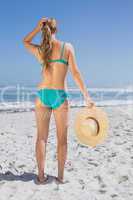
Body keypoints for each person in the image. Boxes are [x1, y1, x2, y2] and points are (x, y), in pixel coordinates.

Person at [23, 17, 95, 184]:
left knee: (41, 137)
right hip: (60, 95)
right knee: (62, 138)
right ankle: (61, 177)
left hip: (42, 95)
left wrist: (36, 28)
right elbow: (76, 74)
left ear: (44, 30)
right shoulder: (66, 47)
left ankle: (41, 177)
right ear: (56, 29)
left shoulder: (41, 50)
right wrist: (86, 96)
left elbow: (25, 41)